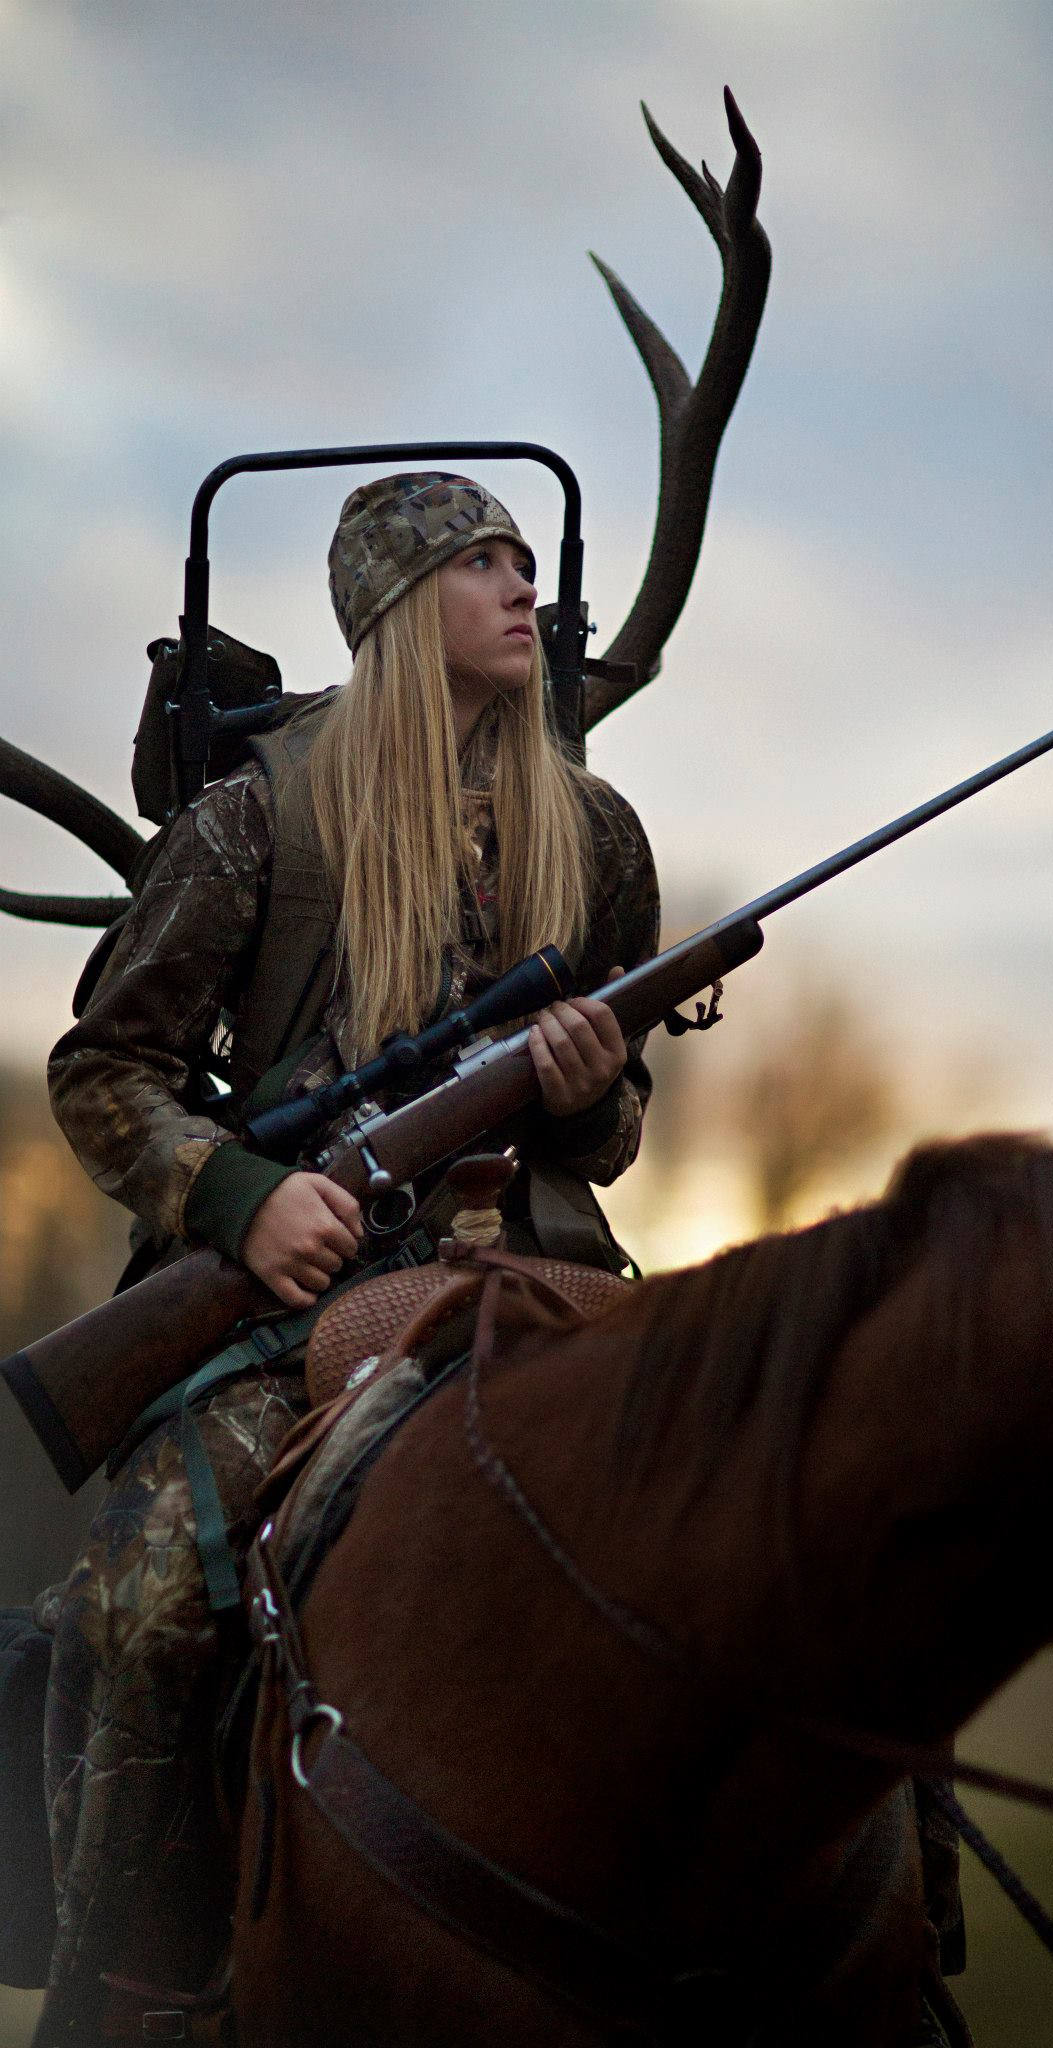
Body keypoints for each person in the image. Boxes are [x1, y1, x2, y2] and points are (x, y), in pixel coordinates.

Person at [36, 473, 660, 2043]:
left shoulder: (591, 829)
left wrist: (589, 1096)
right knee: (146, 1601)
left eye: (526, 559)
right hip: (295, 1301)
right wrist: (240, 1192)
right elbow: (108, 1071)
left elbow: (615, 1134)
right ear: (394, 607)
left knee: (791, 1485)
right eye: (479, 563)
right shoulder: (255, 815)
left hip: (543, 1271)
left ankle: (897, 1965)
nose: (524, 588)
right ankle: (126, 1998)